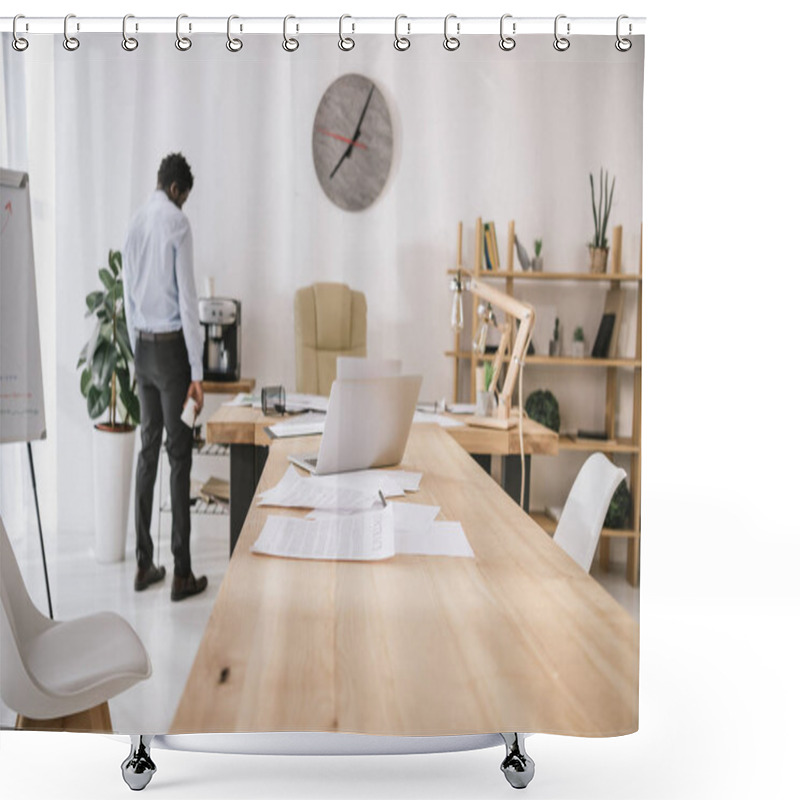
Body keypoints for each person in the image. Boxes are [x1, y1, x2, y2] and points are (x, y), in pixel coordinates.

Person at [122, 153, 207, 601]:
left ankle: (142, 564)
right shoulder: (177, 224)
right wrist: (196, 371)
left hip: (143, 348)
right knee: (180, 456)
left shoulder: (135, 222)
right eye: (184, 198)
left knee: (148, 450)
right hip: (174, 351)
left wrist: (140, 348)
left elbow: (126, 291)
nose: (183, 206)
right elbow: (189, 303)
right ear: (177, 189)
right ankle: (182, 572)